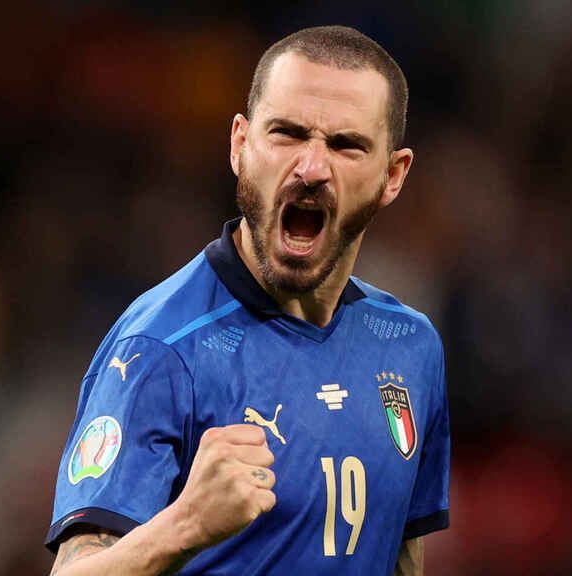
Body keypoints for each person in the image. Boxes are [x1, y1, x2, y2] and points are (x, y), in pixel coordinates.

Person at [46, 25, 450, 575]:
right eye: (286, 134)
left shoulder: (409, 347)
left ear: (393, 175)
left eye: (345, 145)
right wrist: (185, 524)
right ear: (240, 145)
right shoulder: (160, 349)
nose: (311, 169)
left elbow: (400, 554)